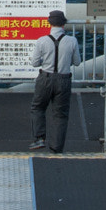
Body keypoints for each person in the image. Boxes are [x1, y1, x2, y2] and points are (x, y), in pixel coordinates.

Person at [29, 11, 80, 152]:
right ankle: (57, 147)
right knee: (60, 114)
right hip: (64, 79)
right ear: (64, 24)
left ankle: (39, 138)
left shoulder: (42, 41)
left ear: (49, 23)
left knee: (38, 107)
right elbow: (77, 62)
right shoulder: (72, 41)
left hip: (45, 78)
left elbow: (34, 63)